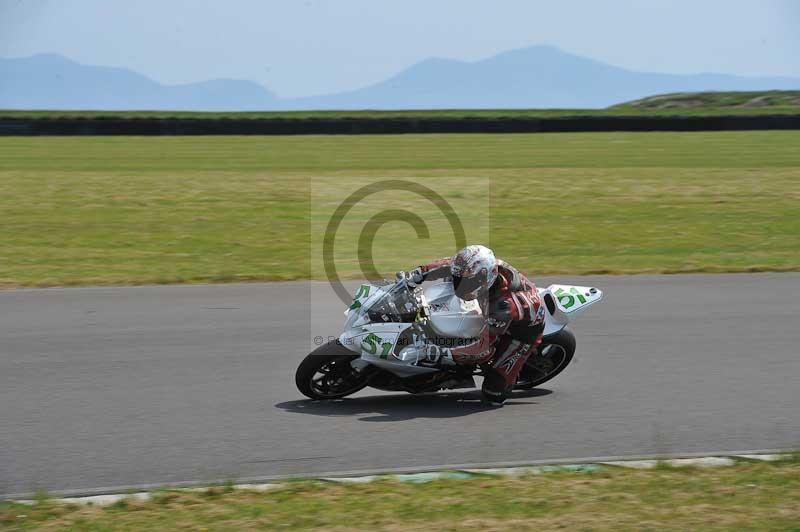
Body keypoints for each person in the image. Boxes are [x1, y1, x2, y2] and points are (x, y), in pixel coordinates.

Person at [401, 245, 545, 406]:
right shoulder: (480, 268)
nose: (458, 284)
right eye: (458, 279)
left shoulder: (503, 306)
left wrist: (443, 351)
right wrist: (416, 274)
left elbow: (483, 349)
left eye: (464, 282)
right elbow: (449, 265)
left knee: (494, 393)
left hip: (522, 333)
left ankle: (507, 377)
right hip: (492, 307)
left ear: (482, 279)